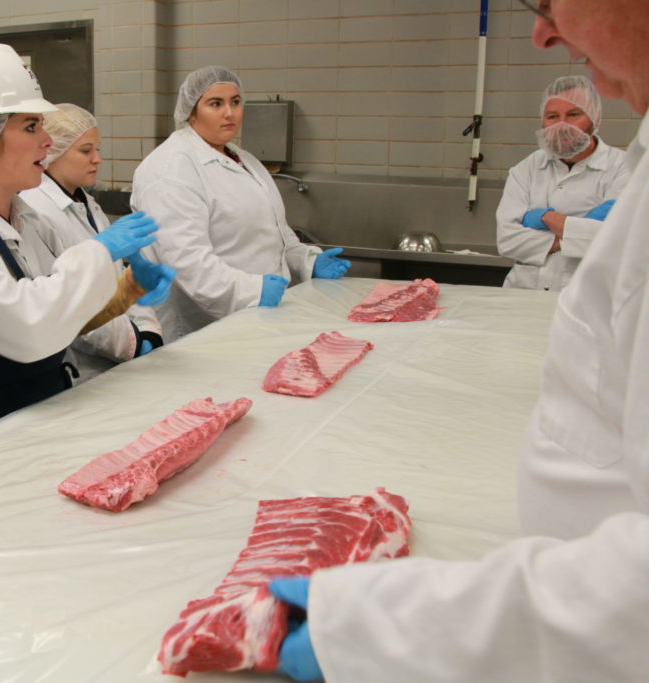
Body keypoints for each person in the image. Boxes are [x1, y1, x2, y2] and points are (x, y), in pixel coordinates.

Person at [266, 1, 649, 680]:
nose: (541, 32)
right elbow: (512, 237)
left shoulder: (628, 162)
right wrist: (572, 227)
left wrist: (399, 629)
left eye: (553, 3)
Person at [0, 43, 173, 442]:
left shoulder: (27, 219)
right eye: (32, 127)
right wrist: (99, 251)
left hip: (44, 411)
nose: (48, 142)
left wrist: (129, 289)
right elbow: (28, 327)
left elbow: (63, 316)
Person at [131, 66, 350, 342]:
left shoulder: (244, 159)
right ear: (191, 111)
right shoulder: (170, 169)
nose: (229, 113)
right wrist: (253, 291)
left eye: (235, 102)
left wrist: (305, 260)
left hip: (257, 317)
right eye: (215, 104)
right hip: (202, 329)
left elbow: (274, 231)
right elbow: (189, 263)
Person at [19, 103, 165, 383]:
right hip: (80, 371)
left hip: (116, 363)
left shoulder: (87, 203)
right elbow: (69, 302)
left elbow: (112, 278)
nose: (97, 159)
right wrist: (134, 342)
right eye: (86, 150)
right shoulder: (38, 211)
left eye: (98, 150)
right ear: (52, 152)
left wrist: (148, 328)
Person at [496, 74, 629, 291]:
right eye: (552, 116)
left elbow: (618, 241)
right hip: (522, 295)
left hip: (589, 297)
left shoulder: (624, 168)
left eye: (574, 115)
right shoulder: (525, 169)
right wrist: (579, 233)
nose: (561, 125)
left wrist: (547, 218)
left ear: (595, 119)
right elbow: (507, 240)